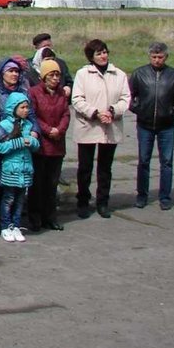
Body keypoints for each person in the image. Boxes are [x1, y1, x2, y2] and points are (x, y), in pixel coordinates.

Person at [71, 40, 131, 219]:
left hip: (110, 126)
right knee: (85, 167)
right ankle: (82, 200)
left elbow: (125, 98)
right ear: (91, 57)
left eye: (105, 52)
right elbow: (77, 99)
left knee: (105, 168)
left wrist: (113, 110)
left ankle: (103, 201)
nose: (103, 56)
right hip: (89, 125)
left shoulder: (119, 74)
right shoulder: (83, 74)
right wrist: (95, 113)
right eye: (98, 53)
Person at [0, 57, 36, 233]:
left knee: (18, 186)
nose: (14, 74)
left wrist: (35, 132)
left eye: (16, 71)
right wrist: (3, 135)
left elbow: (32, 117)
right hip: (1, 143)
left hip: (21, 148)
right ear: (1, 73)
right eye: (10, 71)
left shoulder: (24, 93)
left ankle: (14, 220)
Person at [129, 42, 174, 210]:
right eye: (154, 57)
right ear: (149, 57)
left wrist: (171, 111)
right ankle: (142, 195)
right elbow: (129, 96)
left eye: (160, 57)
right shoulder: (139, 74)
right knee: (143, 161)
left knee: (166, 162)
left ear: (166, 57)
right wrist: (139, 110)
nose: (157, 60)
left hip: (167, 125)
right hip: (144, 125)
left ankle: (165, 197)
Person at [27, 59, 70, 231]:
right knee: (37, 184)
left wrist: (59, 130)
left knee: (51, 185)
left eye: (57, 75)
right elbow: (33, 115)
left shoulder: (61, 94)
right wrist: (47, 129)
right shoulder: (34, 93)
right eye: (52, 75)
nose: (55, 78)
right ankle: (35, 217)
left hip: (57, 145)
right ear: (44, 76)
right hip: (41, 145)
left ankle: (50, 217)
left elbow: (66, 114)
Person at [0, 92, 40, 242]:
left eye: (27, 107)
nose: (26, 110)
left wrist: (32, 142)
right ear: (14, 108)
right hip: (11, 169)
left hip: (25, 169)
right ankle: (6, 226)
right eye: (23, 108)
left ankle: (16, 225)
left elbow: (36, 145)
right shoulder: (4, 125)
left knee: (20, 199)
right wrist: (17, 143)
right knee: (8, 199)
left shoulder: (29, 125)